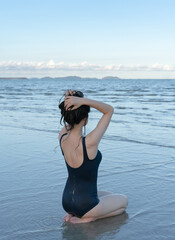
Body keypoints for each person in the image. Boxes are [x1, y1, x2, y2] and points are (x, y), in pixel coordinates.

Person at [58, 89, 128, 224]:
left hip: (66, 202)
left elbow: (70, 118)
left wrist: (70, 100)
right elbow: (109, 110)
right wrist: (83, 101)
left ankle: (74, 215)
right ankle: (89, 218)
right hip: (86, 206)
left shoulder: (62, 137)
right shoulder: (89, 142)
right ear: (85, 120)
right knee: (123, 201)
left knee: (107, 193)